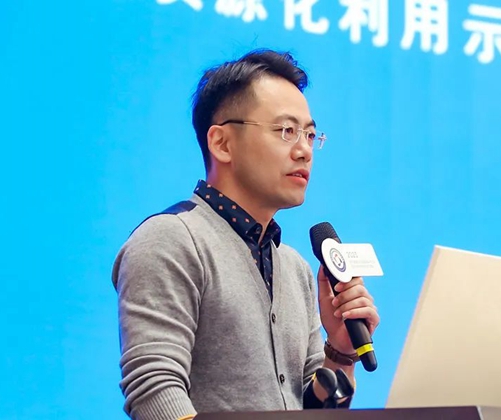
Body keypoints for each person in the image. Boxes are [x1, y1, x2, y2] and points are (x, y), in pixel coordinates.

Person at [111, 48, 380, 420]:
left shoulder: (295, 267)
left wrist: (340, 350)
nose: (304, 150)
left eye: (310, 134)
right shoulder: (171, 240)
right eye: (286, 131)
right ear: (222, 143)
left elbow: (311, 408)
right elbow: (155, 393)